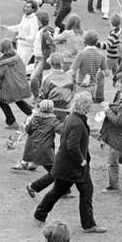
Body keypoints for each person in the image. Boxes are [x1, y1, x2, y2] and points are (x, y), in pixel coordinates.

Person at [33, 91, 107, 234]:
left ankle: (39, 215)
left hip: (66, 165)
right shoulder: (78, 122)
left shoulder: (71, 118)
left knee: (59, 191)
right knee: (84, 191)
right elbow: (72, 146)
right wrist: (82, 161)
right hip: (75, 167)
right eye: (89, 104)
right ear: (85, 106)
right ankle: (88, 224)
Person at [0, 39, 33, 129]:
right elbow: (23, 68)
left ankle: (12, 122)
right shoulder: (17, 57)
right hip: (18, 84)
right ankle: (32, 113)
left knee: (3, 103)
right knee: (18, 100)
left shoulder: (2, 61)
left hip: (8, 86)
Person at [20, 99, 63, 184]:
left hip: (34, 149)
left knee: (53, 170)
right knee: (55, 171)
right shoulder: (53, 120)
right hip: (45, 151)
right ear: (52, 109)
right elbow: (62, 131)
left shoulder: (34, 119)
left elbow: (28, 130)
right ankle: (63, 190)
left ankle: (64, 189)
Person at [70, 31, 108, 103]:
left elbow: (73, 71)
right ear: (96, 41)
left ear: (85, 41)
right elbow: (107, 73)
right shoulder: (101, 55)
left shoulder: (81, 54)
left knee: (78, 106)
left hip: (80, 85)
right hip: (92, 86)